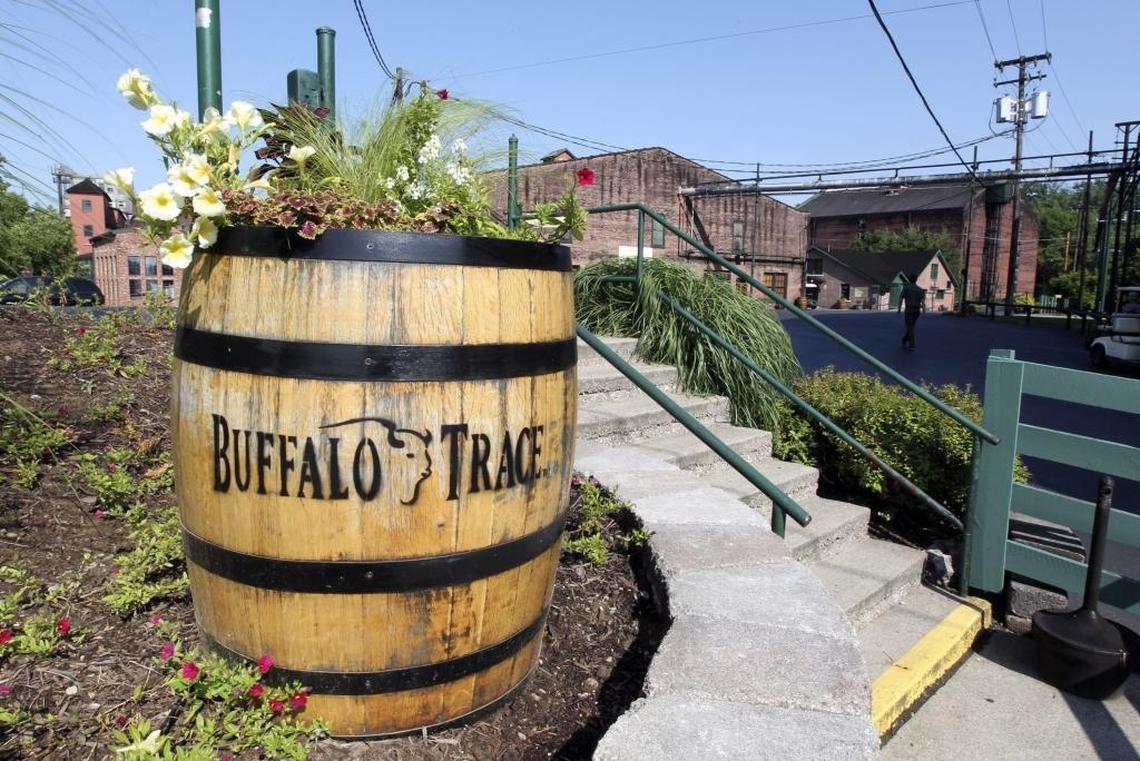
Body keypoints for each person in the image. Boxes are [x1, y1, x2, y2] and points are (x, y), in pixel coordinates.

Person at [898, 275, 926, 349]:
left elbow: (900, 299)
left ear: (909, 280)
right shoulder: (920, 290)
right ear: (916, 280)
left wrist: (899, 309)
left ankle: (912, 344)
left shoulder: (906, 288)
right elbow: (923, 302)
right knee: (911, 326)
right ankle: (904, 339)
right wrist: (924, 312)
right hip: (917, 311)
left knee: (910, 327)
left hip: (909, 309)